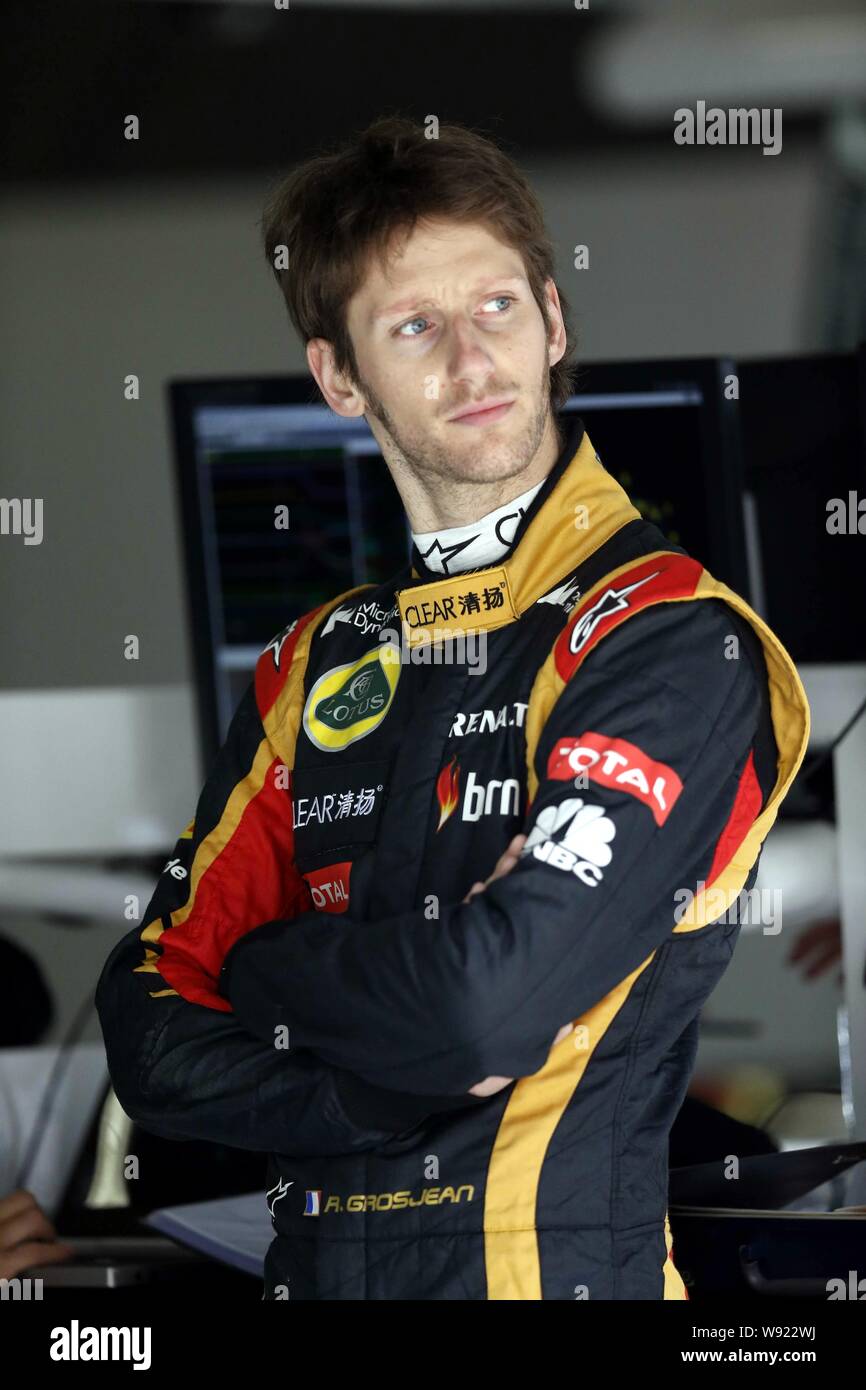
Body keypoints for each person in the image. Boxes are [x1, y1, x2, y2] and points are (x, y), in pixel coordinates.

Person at [96, 117, 810, 1301]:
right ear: (338, 375)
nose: (473, 362)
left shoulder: (663, 633)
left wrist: (270, 970)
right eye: (414, 328)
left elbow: (490, 1010)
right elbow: (150, 1032)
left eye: (496, 310)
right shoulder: (316, 669)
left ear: (552, 322)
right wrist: (373, 1076)